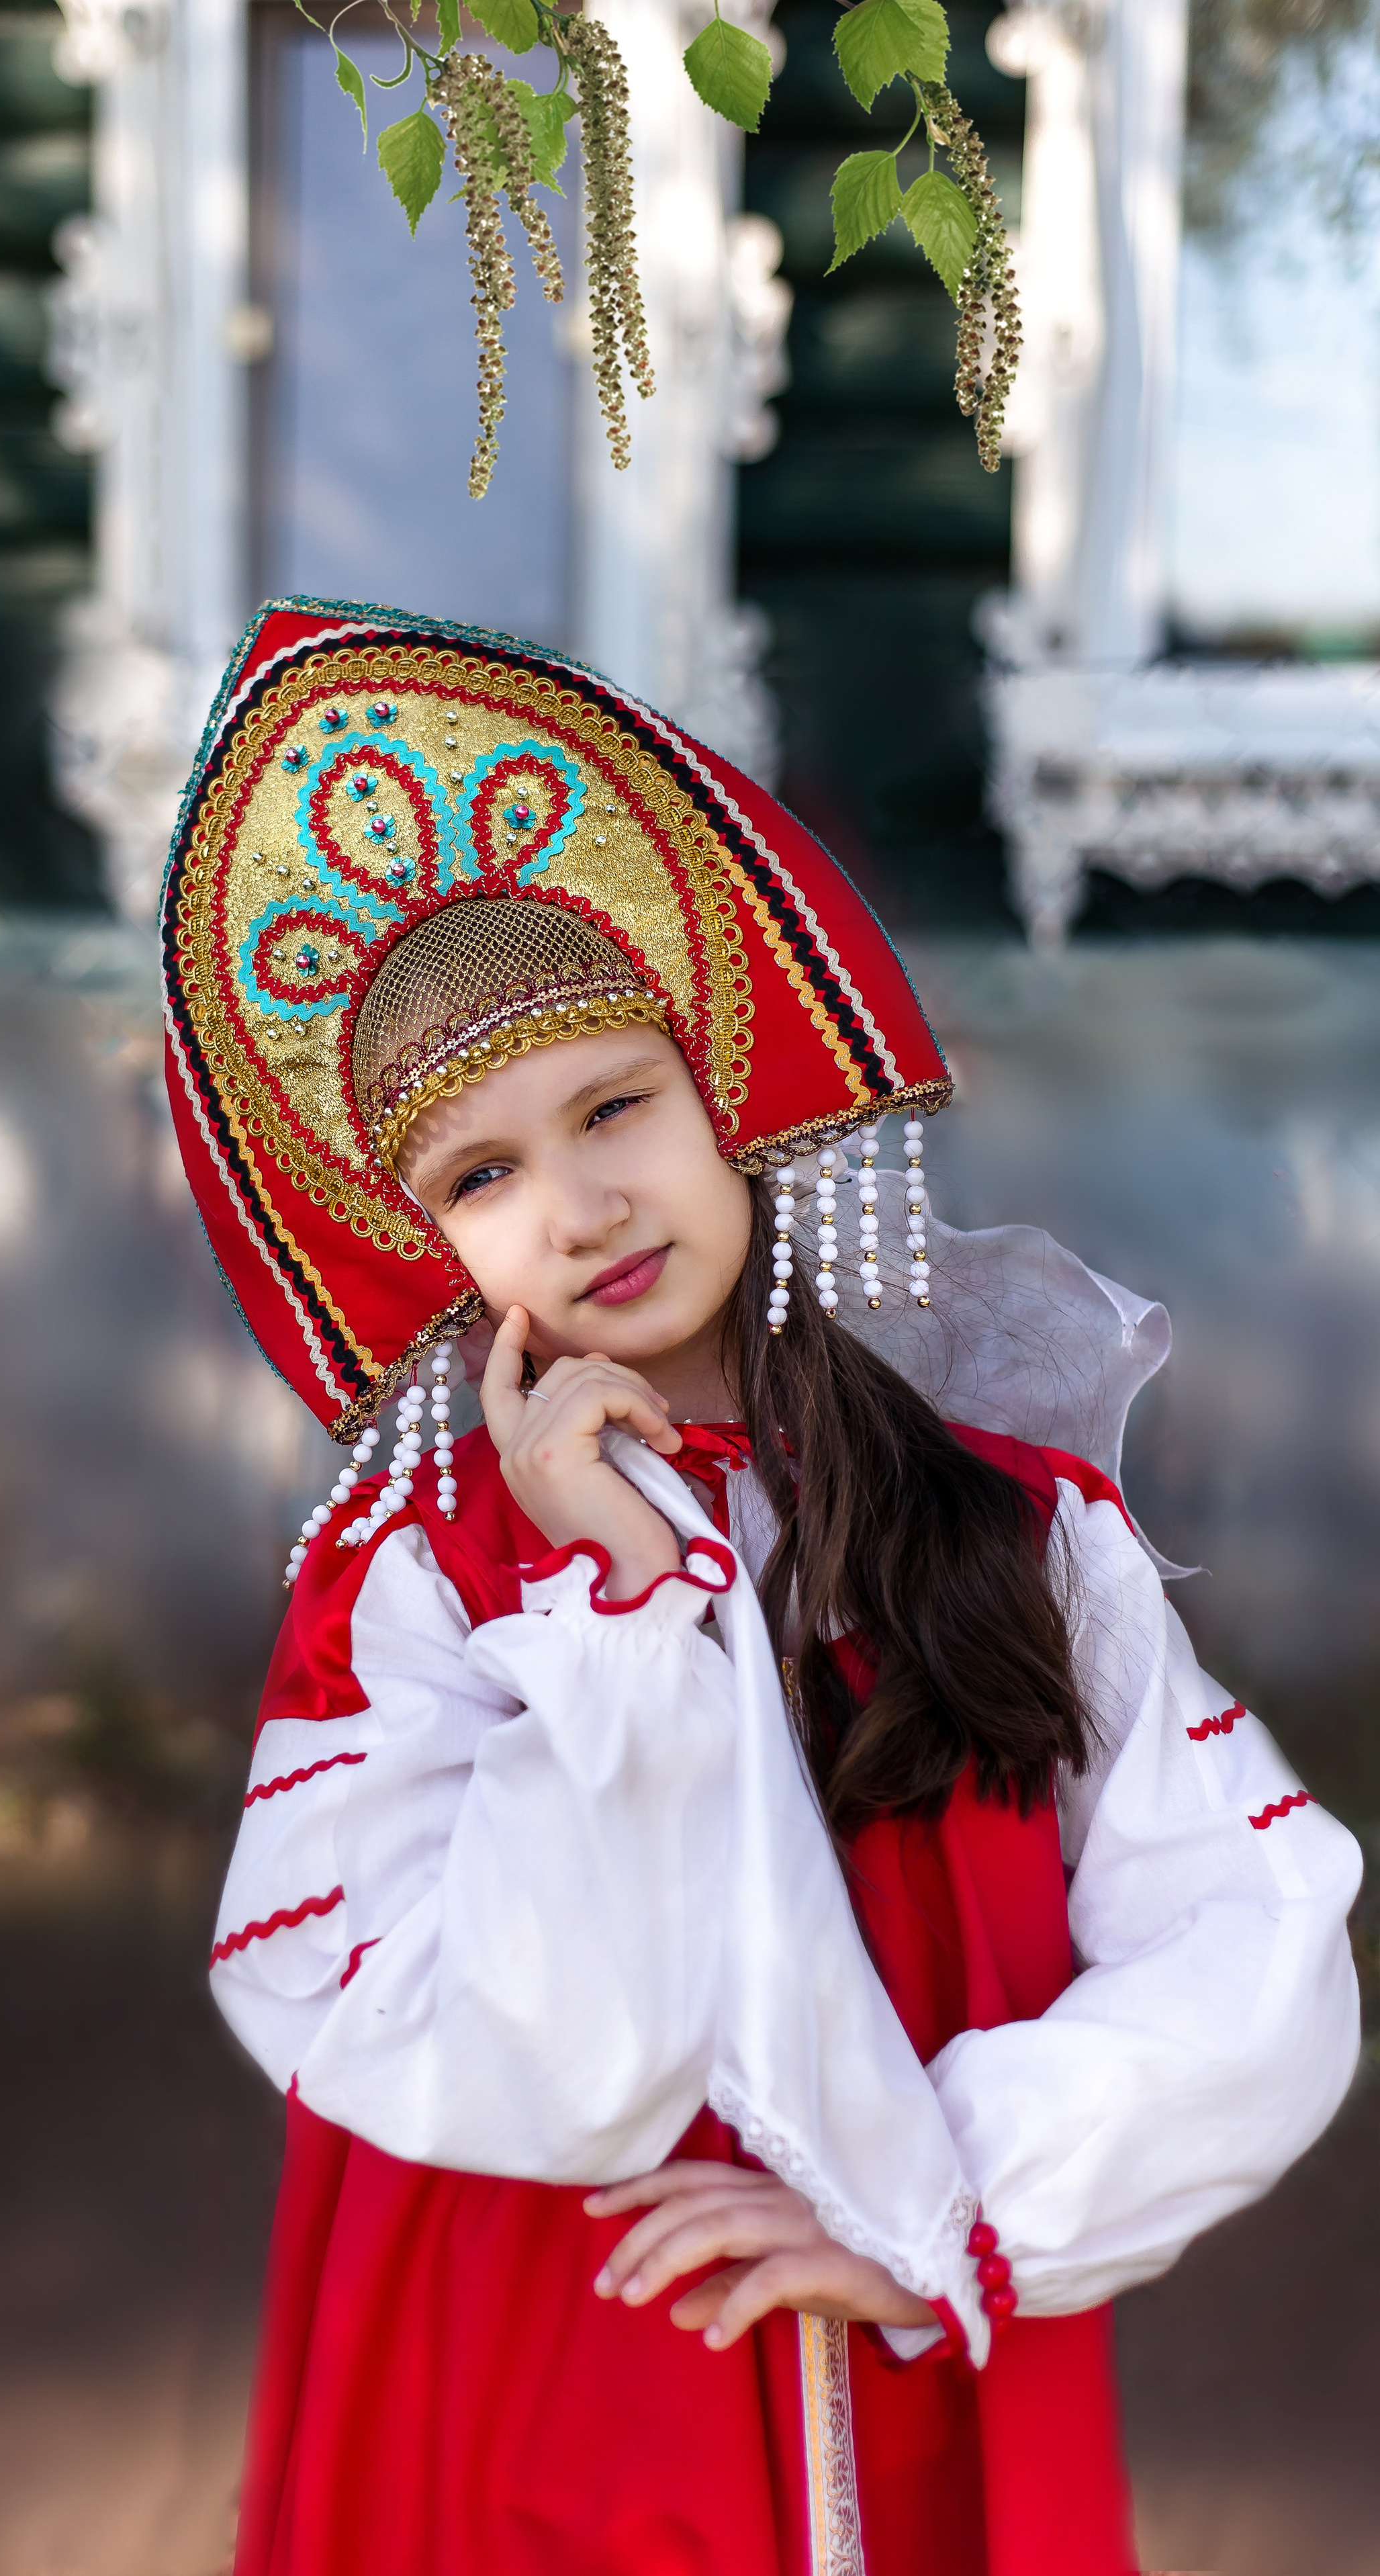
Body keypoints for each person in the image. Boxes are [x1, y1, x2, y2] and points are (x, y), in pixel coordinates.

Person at [162, 598, 1362, 2576]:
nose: (581, 1205)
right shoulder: (426, 1582)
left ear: (724, 1090)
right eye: (479, 1176)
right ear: (429, 1241)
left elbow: (1258, 1935)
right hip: (548, 2385)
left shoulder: (1007, 1523)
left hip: (916, 2376)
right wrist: (622, 1613)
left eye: (614, 1106)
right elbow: (511, 2051)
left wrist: (941, 2195)